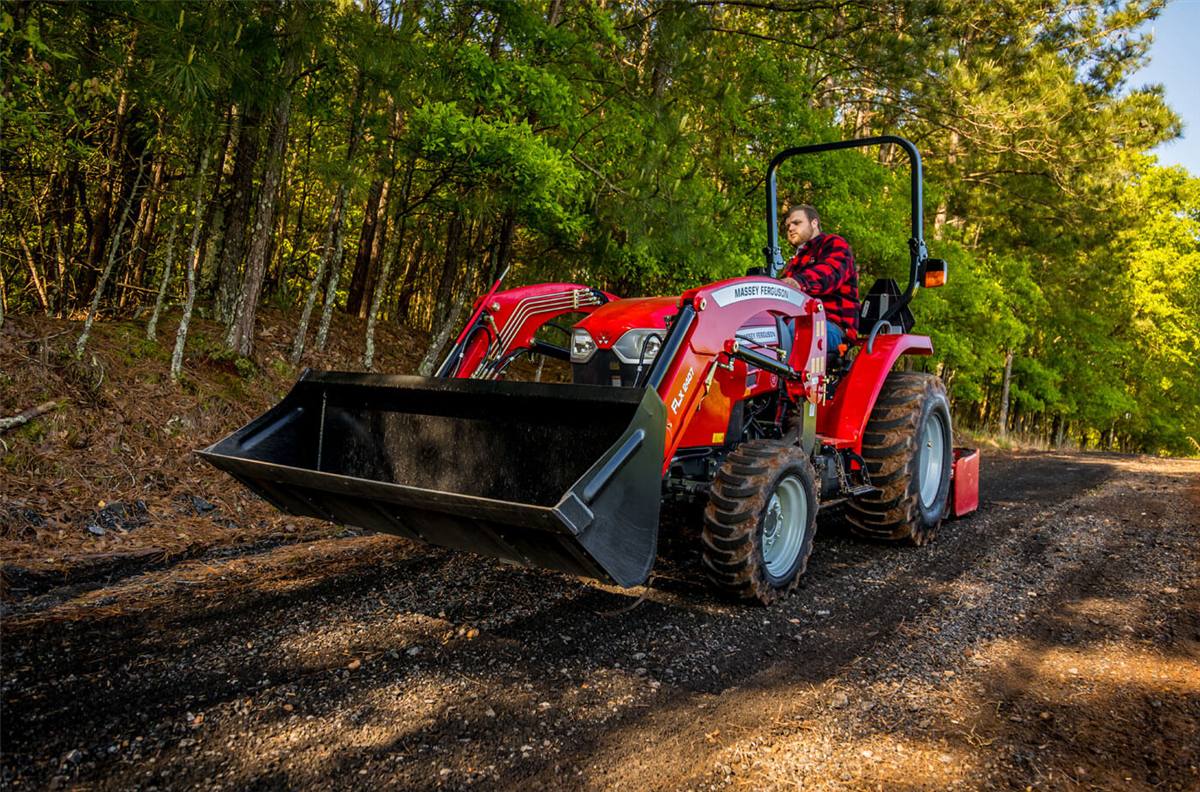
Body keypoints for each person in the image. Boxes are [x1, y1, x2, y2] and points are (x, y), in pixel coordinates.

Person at [779, 204, 860, 350]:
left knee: (795, 331)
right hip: (798, 320)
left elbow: (829, 273)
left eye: (796, 223)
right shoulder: (794, 262)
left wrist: (797, 282)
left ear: (814, 223)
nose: (790, 228)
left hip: (832, 325)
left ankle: (783, 372)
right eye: (788, 226)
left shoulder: (834, 244)